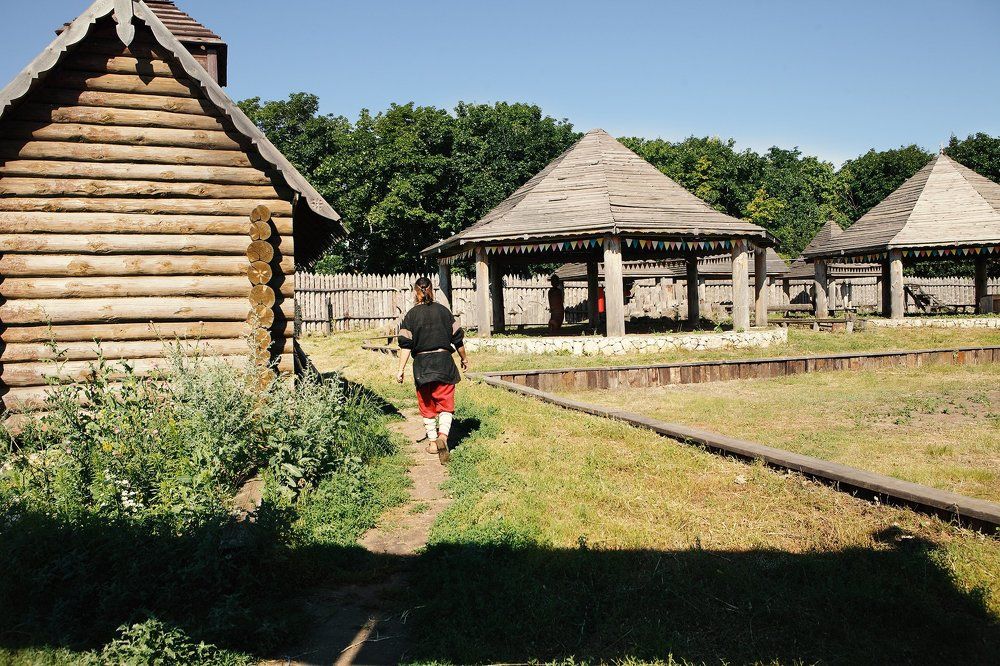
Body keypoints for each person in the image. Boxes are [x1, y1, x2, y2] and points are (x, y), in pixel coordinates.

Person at [396, 276, 468, 463]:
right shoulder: (444, 311)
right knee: (445, 403)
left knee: (427, 405)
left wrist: (400, 369)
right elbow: (458, 339)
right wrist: (464, 358)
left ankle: (433, 442)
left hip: (422, 366)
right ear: (432, 291)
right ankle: (443, 436)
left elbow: (405, 346)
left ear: (416, 292)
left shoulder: (410, 316)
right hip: (444, 362)